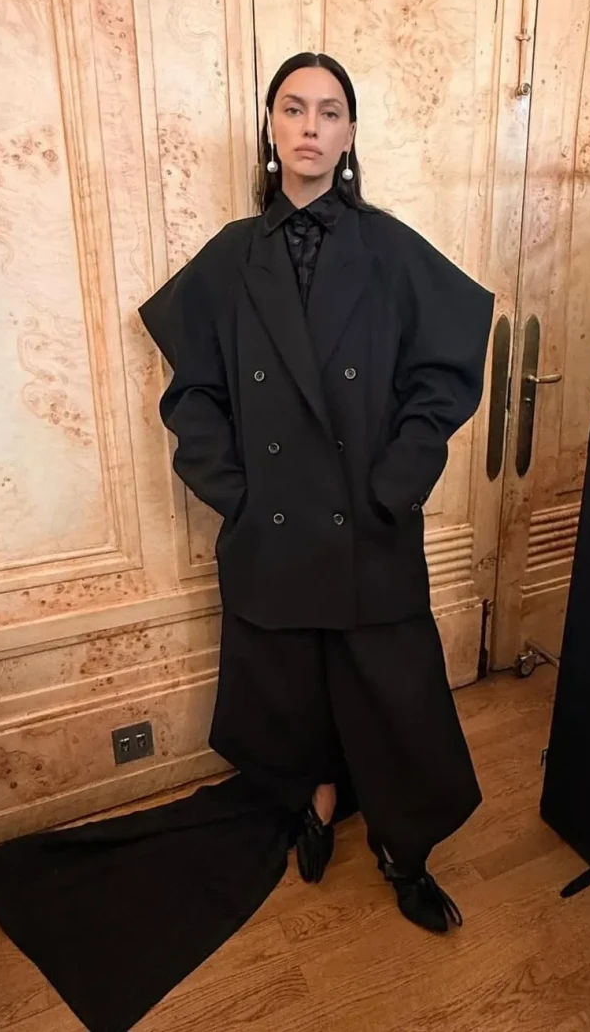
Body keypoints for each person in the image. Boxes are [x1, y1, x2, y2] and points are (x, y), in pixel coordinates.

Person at [138, 51, 495, 935]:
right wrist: (235, 492)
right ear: (271, 127)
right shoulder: (232, 256)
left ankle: (405, 849)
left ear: (349, 133)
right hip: (273, 528)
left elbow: (445, 376)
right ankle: (318, 799)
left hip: (369, 521)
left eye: (329, 111)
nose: (310, 126)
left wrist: (397, 481)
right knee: (289, 690)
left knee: (396, 699)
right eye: (293, 108)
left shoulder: (390, 249)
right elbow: (194, 394)